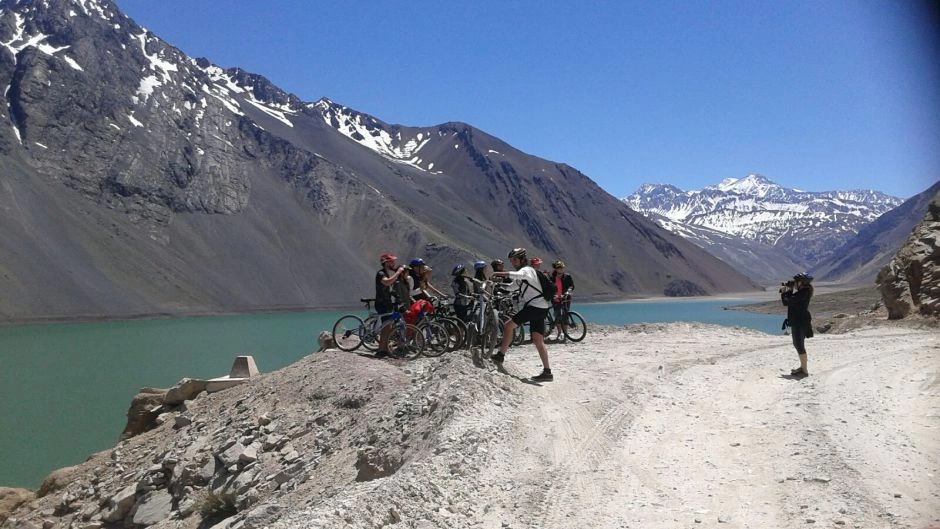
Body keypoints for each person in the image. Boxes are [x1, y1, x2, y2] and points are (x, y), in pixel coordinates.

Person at [490, 247, 553, 382]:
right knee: (537, 339)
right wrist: (500, 286)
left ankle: (500, 355)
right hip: (542, 308)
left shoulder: (527, 270)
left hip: (534, 307)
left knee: (508, 326)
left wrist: (498, 273)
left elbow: (518, 276)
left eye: (515, 259)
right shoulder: (525, 273)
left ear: (522, 259)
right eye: (512, 260)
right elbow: (513, 286)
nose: (513, 262)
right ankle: (547, 372)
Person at [374, 252, 410, 358]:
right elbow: (387, 282)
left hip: (388, 302)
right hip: (382, 303)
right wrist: (398, 272)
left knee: (388, 327)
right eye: (391, 261)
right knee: (386, 327)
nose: (393, 263)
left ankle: (384, 349)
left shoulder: (388, 272)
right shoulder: (381, 273)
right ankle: (381, 351)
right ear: (386, 263)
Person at [781, 272, 814, 377]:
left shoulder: (804, 292)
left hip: (800, 322)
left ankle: (804, 370)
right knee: (797, 344)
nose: (794, 283)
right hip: (798, 321)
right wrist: (789, 290)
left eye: (796, 281)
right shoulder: (802, 292)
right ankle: (803, 368)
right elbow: (790, 301)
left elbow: (787, 302)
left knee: (799, 344)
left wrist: (785, 292)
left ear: (801, 282)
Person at [548, 260, 575, 342]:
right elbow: (550, 287)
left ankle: (565, 334)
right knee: (557, 315)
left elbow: (571, 286)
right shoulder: (552, 277)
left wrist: (568, 292)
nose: (560, 269)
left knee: (565, 315)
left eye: (562, 268)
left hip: (565, 298)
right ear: (556, 269)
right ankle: (559, 333)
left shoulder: (567, 276)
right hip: (556, 298)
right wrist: (553, 295)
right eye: (558, 268)